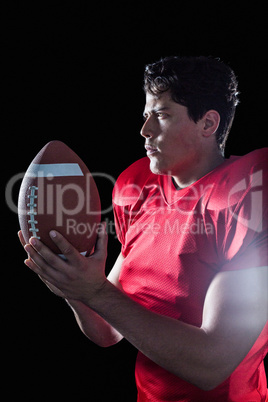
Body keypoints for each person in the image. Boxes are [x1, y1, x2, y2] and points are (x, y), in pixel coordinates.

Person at [19, 56, 268, 401]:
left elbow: (212, 364)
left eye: (162, 115)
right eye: (146, 115)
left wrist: (95, 292)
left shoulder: (249, 194)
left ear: (208, 123)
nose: (145, 130)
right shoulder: (138, 189)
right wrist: (73, 286)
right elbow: (107, 330)